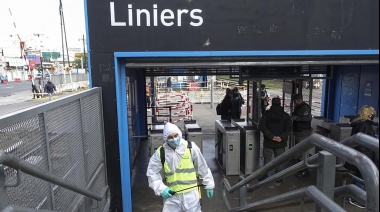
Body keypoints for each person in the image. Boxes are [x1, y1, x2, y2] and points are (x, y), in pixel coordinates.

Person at [146, 122, 215, 212]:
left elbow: (202, 166)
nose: (174, 139)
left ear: (180, 134)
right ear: (165, 139)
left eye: (175, 135)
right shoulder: (161, 152)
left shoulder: (190, 147)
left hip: (191, 195)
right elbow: (152, 173)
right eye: (170, 137)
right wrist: (161, 189)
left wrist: (209, 184)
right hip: (172, 195)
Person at [345, 105, 378, 208]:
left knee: (358, 176)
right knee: (362, 176)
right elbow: (364, 143)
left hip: (358, 154)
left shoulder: (359, 123)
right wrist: (367, 158)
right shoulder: (364, 125)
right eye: (373, 114)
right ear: (369, 114)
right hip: (363, 155)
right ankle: (356, 198)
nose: (374, 115)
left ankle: (353, 195)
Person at [258, 98, 292, 185]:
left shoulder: (266, 114)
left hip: (268, 142)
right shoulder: (285, 116)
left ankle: (265, 176)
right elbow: (289, 129)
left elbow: (262, 126)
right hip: (280, 142)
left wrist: (271, 137)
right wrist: (281, 137)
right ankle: (279, 177)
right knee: (279, 160)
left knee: (267, 160)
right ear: (280, 104)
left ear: (272, 103)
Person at [291, 94, 313, 178]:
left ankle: (304, 170)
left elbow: (308, 118)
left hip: (303, 132)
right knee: (299, 150)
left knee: (302, 151)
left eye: (295, 101)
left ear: (298, 100)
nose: (294, 102)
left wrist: (296, 118)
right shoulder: (298, 106)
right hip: (299, 131)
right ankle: (300, 167)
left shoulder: (304, 107)